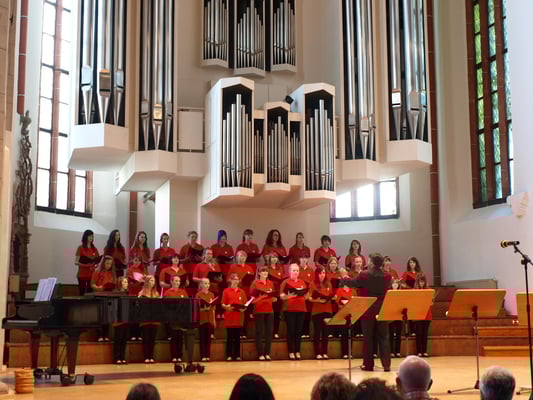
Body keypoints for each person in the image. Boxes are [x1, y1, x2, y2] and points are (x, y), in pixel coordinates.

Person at [341, 253, 392, 372]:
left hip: (368, 310)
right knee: (384, 337)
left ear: (372, 263)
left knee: (368, 338)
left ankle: (368, 365)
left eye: (369, 260)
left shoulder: (364, 275)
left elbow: (352, 283)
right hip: (381, 309)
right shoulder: (387, 276)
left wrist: (344, 276)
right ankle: (386, 365)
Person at [280, 263, 307, 360]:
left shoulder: (302, 282)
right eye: (294, 270)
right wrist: (289, 296)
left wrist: (304, 295)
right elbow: (281, 296)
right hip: (289, 309)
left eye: (297, 270)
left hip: (301, 309)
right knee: (291, 330)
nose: (296, 272)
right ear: (289, 271)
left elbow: (306, 295)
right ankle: (291, 351)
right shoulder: (285, 282)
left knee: (298, 331)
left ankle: (297, 351)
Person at [228, 250, 255, 338]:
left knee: (245, 314)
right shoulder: (233, 267)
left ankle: (244, 332)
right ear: (236, 257)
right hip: (236, 293)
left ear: (246, 258)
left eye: (244, 256)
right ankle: (238, 332)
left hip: (247, 293)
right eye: (240, 256)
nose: (242, 258)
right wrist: (236, 282)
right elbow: (228, 280)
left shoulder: (249, 268)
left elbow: (252, 280)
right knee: (238, 313)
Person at [308, 266, 334, 359]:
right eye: (320, 273)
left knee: (326, 333)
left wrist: (333, 297)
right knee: (317, 332)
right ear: (317, 274)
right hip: (317, 311)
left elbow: (331, 295)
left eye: (323, 273)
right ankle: (317, 353)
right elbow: (309, 297)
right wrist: (317, 300)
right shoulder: (313, 284)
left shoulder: (328, 284)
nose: (322, 275)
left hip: (328, 310)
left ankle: (324, 352)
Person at [250, 266, 275, 361]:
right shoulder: (255, 283)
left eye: (266, 271)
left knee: (269, 332)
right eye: (263, 271)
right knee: (259, 332)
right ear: (259, 273)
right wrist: (261, 297)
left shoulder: (270, 283)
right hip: (259, 310)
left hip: (269, 310)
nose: (265, 273)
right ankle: (260, 354)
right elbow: (252, 300)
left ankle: (267, 353)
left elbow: (272, 296)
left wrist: (273, 299)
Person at [222, 273, 247, 361]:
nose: (236, 281)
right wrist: (227, 307)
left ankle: (237, 355)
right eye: (234, 279)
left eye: (237, 279)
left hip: (238, 316)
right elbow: (223, 304)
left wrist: (243, 309)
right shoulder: (226, 291)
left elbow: (245, 304)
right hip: (230, 316)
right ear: (230, 280)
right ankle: (229, 355)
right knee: (230, 337)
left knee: (237, 337)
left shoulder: (242, 292)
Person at [163, 275, 189, 362]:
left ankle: (179, 356)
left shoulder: (183, 292)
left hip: (181, 318)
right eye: (176, 281)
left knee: (180, 337)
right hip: (172, 318)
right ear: (171, 282)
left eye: (179, 281)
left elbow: (187, 304)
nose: (178, 283)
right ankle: (174, 356)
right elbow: (165, 305)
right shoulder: (167, 292)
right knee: (174, 337)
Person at [91, 255, 116, 341]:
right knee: (100, 316)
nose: (108, 265)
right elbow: (92, 284)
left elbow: (114, 284)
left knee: (108, 317)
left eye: (110, 264)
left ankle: (106, 335)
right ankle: (100, 335)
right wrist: (98, 288)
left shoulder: (112, 273)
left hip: (109, 296)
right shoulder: (97, 272)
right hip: (99, 296)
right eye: (107, 263)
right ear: (103, 263)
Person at [193, 248, 222, 319]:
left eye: (211, 254)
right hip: (202, 290)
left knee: (212, 310)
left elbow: (220, 279)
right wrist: (202, 280)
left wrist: (219, 279)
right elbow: (194, 278)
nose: (210, 255)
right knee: (203, 310)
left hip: (214, 289)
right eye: (208, 254)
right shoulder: (199, 265)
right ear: (204, 255)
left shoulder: (215, 265)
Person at [138, 275, 159, 363]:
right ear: (147, 282)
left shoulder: (156, 293)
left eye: (153, 281)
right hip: (145, 318)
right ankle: (146, 357)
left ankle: (151, 356)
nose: (152, 282)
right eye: (151, 280)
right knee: (146, 339)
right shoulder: (142, 293)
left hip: (154, 319)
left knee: (152, 339)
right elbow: (139, 305)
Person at [335, 273, 356, 358]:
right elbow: (337, 302)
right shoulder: (339, 290)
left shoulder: (353, 291)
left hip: (351, 314)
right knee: (344, 334)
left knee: (351, 335)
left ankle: (350, 352)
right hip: (343, 314)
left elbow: (356, 302)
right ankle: (344, 353)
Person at [195, 278, 216, 362]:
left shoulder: (211, 294)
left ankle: (208, 355)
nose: (207, 285)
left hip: (209, 319)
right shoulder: (198, 295)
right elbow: (196, 308)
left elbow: (213, 308)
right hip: (202, 319)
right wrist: (203, 309)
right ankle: (203, 356)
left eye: (208, 283)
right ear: (201, 285)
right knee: (202, 338)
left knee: (208, 339)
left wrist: (214, 320)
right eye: (205, 283)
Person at [75, 229, 100, 295]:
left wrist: (95, 265)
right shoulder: (80, 248)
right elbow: (76, 262)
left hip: (91, 275)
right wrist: (86, 265)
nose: (91, 238)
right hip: (82, 274)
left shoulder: (94, 248)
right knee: (82, 293)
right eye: (90, 236)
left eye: (92, 236)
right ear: (85, 236)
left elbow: (97, 261)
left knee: (90, 293)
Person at [267, 252, 285, 339]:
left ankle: (276, 332)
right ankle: (268, 331)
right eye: (272, 257)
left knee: (277, 314)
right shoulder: (266, 268)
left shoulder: (280, 268)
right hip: (269, 294)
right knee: (268, 314)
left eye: (275, 257)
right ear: (269, 259)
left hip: (278, 293)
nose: (274, 259)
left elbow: (282, 280)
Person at [414, 273, 432, 357]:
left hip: (427, 314)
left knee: (425, 333)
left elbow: (431, 303)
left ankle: (424, 351)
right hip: (418, 314)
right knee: (419, 333)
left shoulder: (429, 291)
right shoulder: (415, 291)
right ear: (417, 282)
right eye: (420, 281)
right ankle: (418, 351)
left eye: (423, 281)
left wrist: (431, 303)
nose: (422, 283)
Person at [113, 276, 130, 364]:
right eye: (124, 282)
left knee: (124, 340)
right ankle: (117, 358)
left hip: (125, 319)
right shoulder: (115, 293)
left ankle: (122, 357)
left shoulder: (127, 293)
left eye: (127, 282)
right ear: (120, 284)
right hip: (118, 320)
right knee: (118, 339)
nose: (126, 284)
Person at [298, 255, 314, 338]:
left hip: (308, 296)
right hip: (299, 296)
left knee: (307, 315)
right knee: (300, 315)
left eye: (305, 258)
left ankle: (306, 332)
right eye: (302, 258)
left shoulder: (311, 270)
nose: (304, 260)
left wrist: (308, 294)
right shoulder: (297, 269)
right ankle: (300, 333)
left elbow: (313, 284)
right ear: (299, 259)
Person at [389, 279, 403, 358]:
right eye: (393, 283)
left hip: (399, 316)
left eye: (396, 283)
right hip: (391, 316)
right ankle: (391, 351)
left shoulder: (401, 293)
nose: (395, 285)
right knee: (390, 334)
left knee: (398, 334)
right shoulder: (389, 293)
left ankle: (397, 351)